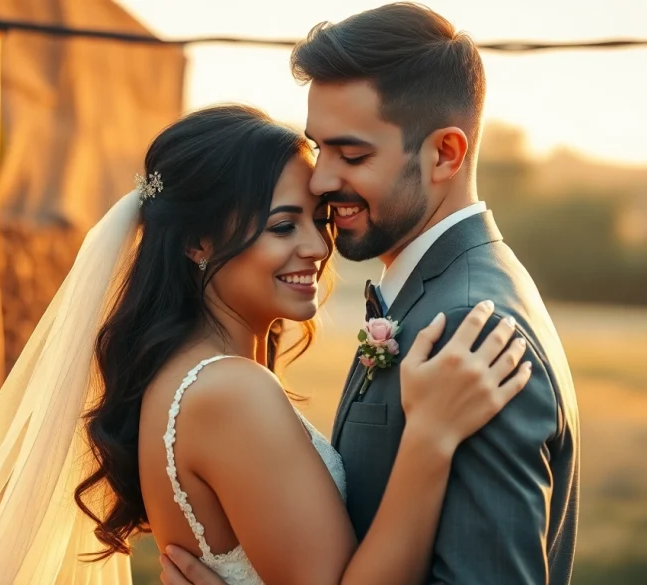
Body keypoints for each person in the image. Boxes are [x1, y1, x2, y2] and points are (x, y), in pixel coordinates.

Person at [0, 104, 529, 585]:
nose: (315, 246)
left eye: (318, 220)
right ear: (197, 242)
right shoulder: (228, 392)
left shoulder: (184, 378)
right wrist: (430, 440)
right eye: (281, 225)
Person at [161, 3, 580, 585]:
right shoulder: (431, 294)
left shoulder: (466, 326)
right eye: (321, 148)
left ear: (445, 154)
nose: (322, 179)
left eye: (352, 155)